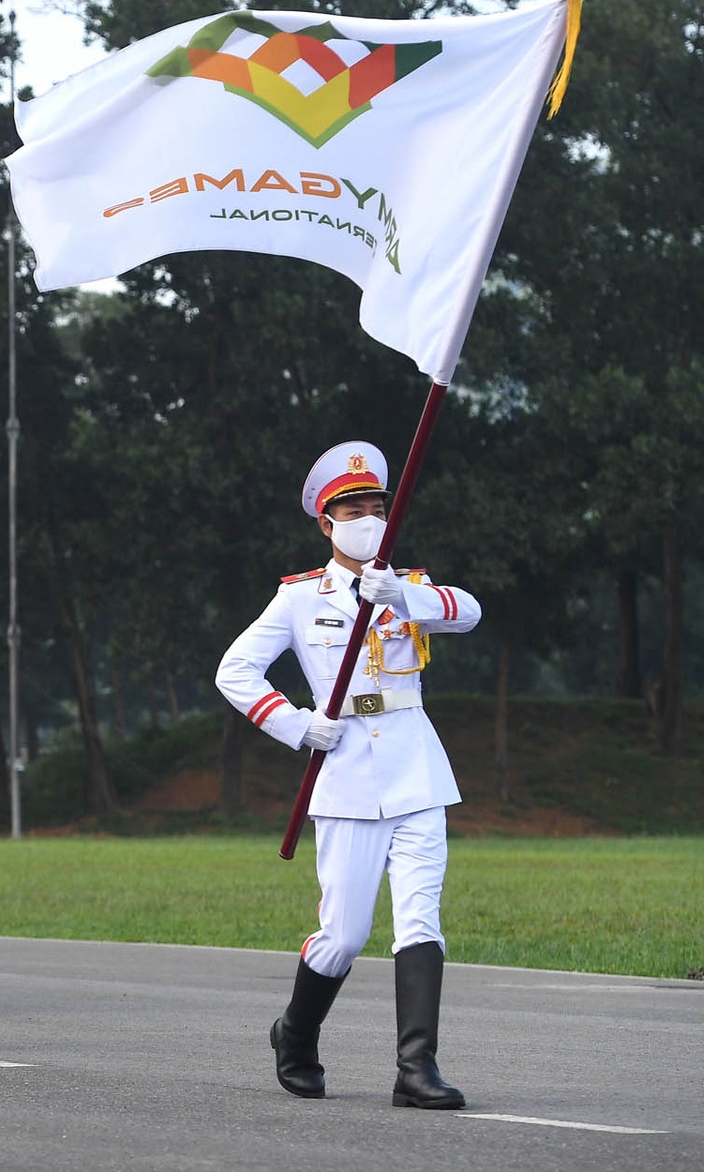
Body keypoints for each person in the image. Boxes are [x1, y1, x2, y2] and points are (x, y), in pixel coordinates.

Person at [215, 442, 482, 1109]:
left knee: (420, 918)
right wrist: (296, 724)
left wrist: (407, 597)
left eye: (377, 509)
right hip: (347, 773)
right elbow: (234, 671)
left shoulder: (407, 586)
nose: (368, 519)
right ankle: (296, 1035)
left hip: (417, 768)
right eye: (353, 509)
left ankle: (416, 1069)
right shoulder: (301, 598)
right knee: (345, 934)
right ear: (326, 523)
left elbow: (470, 611)